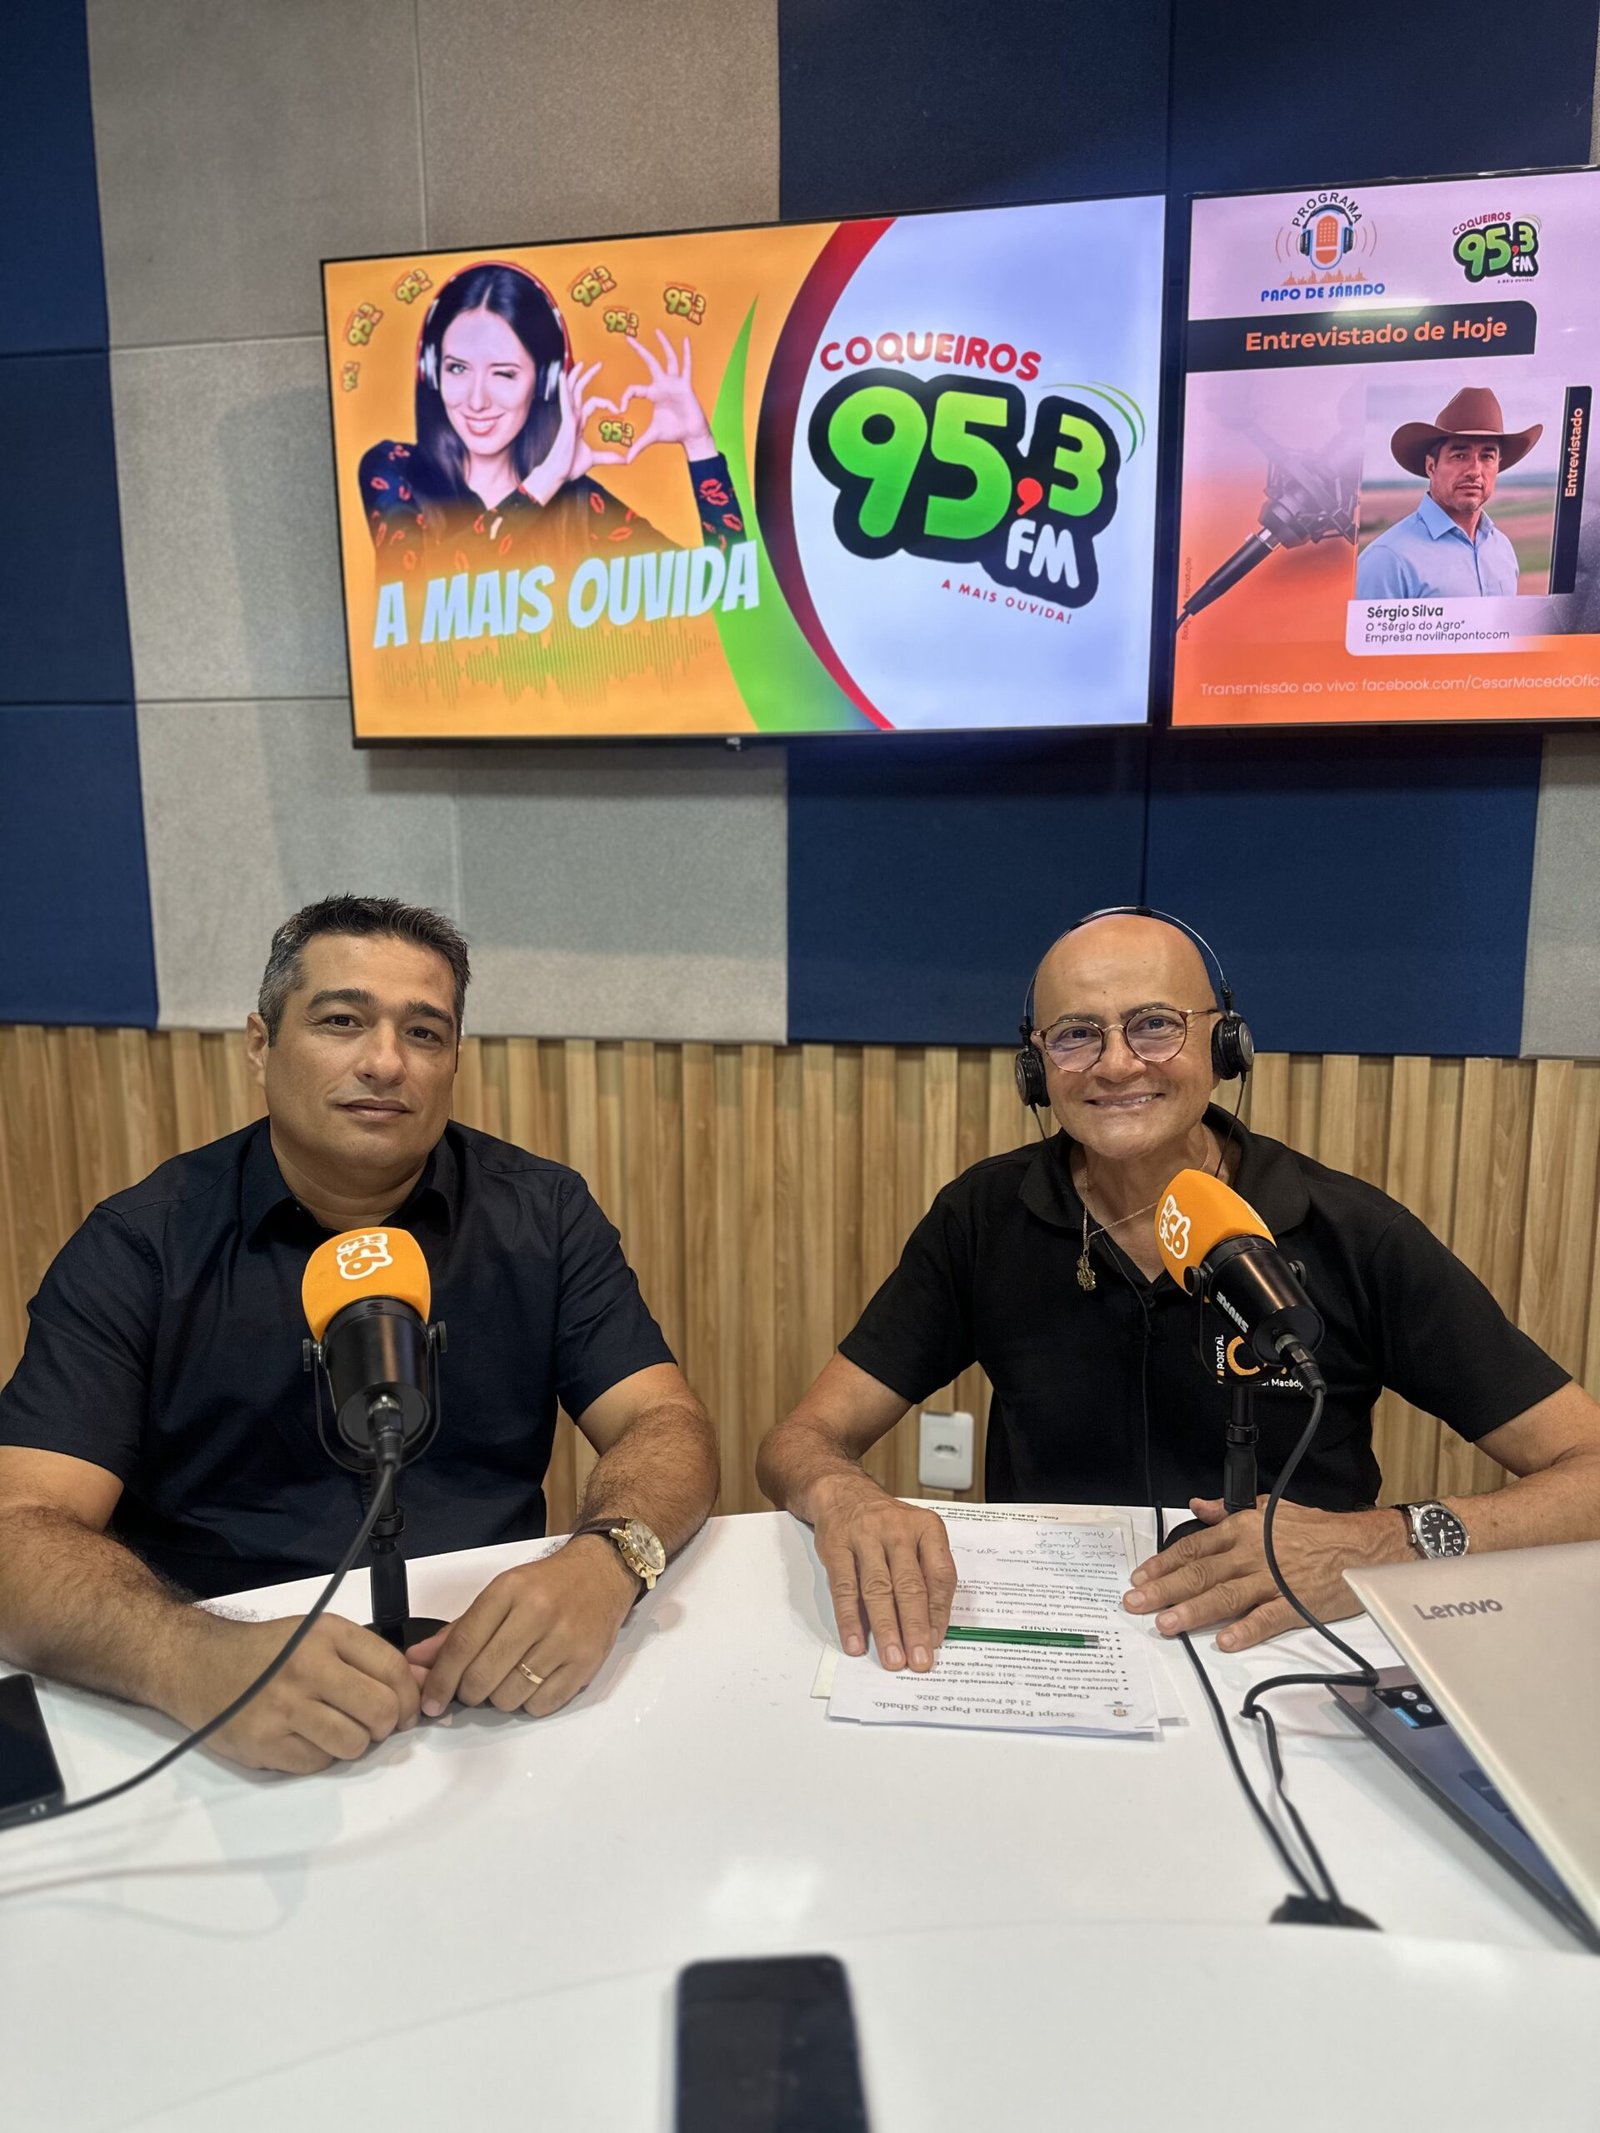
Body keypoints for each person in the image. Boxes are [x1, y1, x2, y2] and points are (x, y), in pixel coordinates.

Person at [756, 910, 1600, 1671]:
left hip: (1293, 1647)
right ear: (1036, 1067)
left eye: (1155, 1024)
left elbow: (1589, 1468)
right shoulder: (981, 1217)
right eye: (1077, 1034)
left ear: (1224, 1044)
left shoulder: (1354, 1231)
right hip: (1060, 1648)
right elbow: (800, 1439)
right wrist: (846, 1495)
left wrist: (1383, 1541)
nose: (1118, 1063)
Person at [0, 896, 718, 1775]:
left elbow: (663, 1423)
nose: (385, 1062)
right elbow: (18, 1527)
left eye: (424, 1033)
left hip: (493, 1696)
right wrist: (186, 1655)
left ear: (454, 1061)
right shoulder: (141, 1245)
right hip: (227, 1713)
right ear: (260, 1044)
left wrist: (607, 1561)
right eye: (342, 1021)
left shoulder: (543, 1213)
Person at [359, 260, 746, 575]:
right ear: (431, 371)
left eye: (504, 374)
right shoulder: (394, 469)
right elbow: (419, 596)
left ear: (545, 383)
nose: (476, 401)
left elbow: (727, 589)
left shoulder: (577, 504)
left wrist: (699, 445)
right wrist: (546, 480)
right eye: (457, 368)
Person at [1354, 386, 1541, 600]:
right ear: (1431, 466)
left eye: (1487, 457)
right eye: (1459, 455)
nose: (1475, 471)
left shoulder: (1502, 549)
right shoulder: (1387, 559)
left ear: (1498, 466)